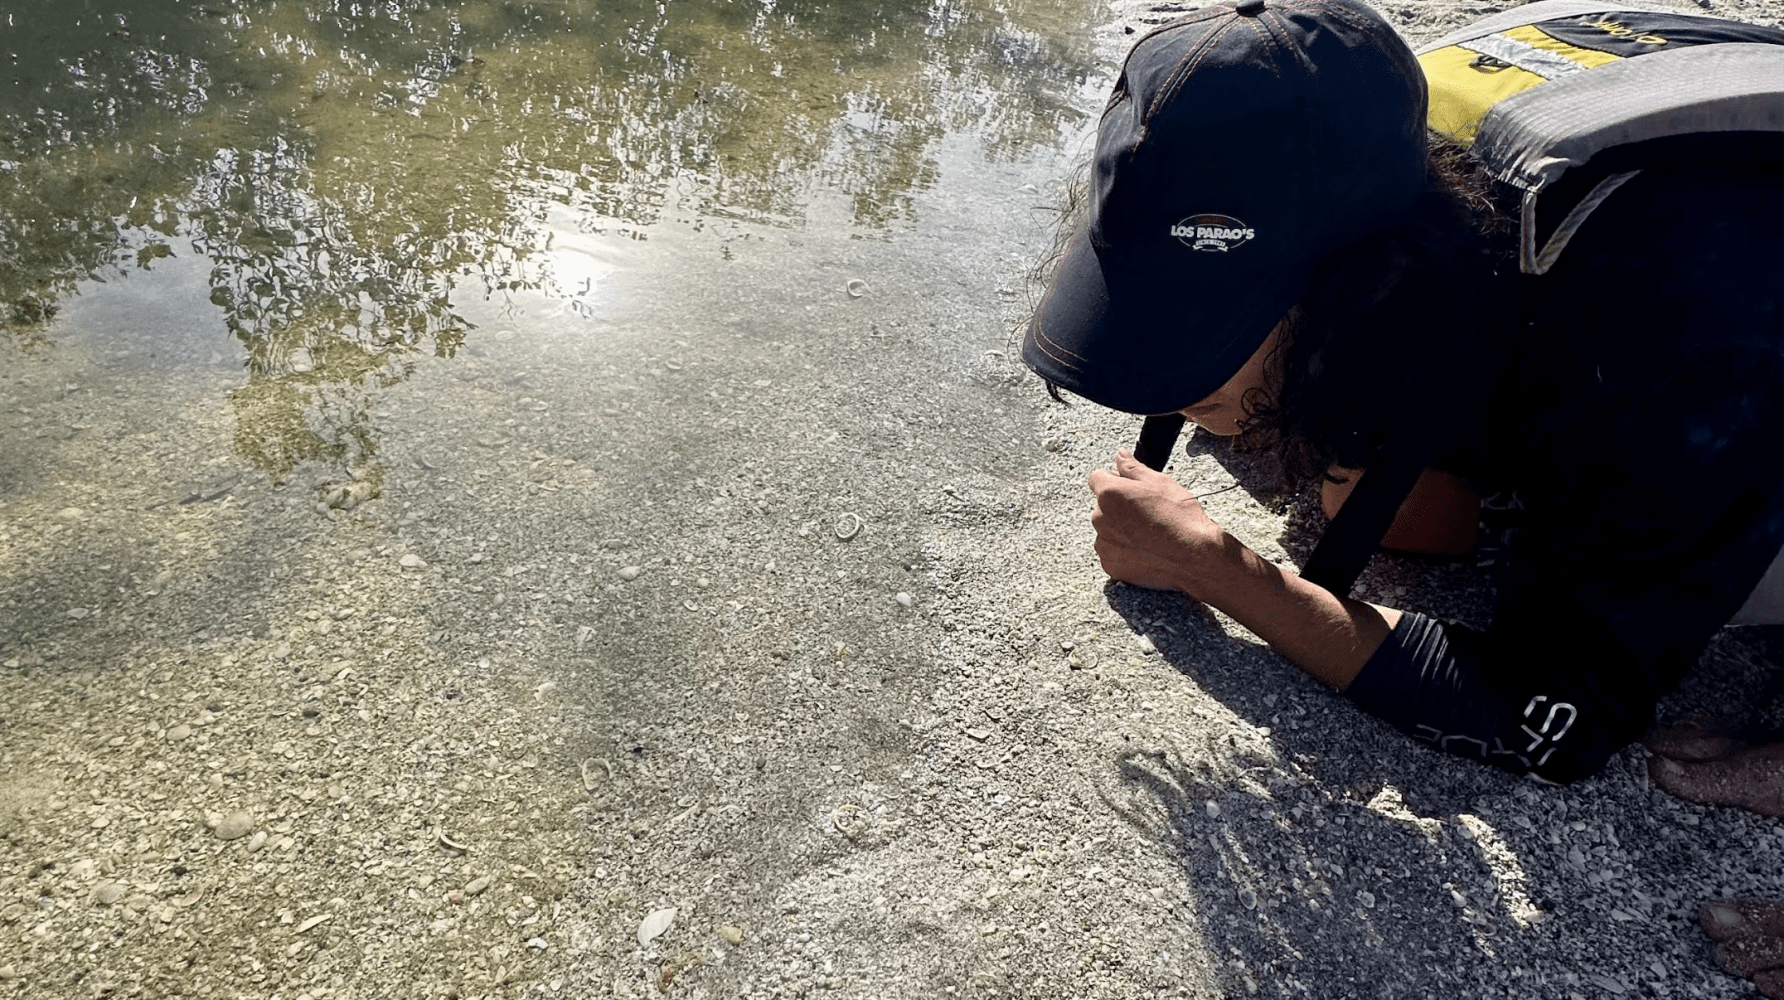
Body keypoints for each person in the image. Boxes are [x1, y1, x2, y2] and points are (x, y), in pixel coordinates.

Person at [1021, 0, 1784, 994]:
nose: (1169, 393)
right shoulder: (1364, 129)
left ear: (1359, 295)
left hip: (1728, 300)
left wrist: (1220, 571)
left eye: (1201, 343)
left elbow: (1547, 717)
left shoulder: (1664, 320)